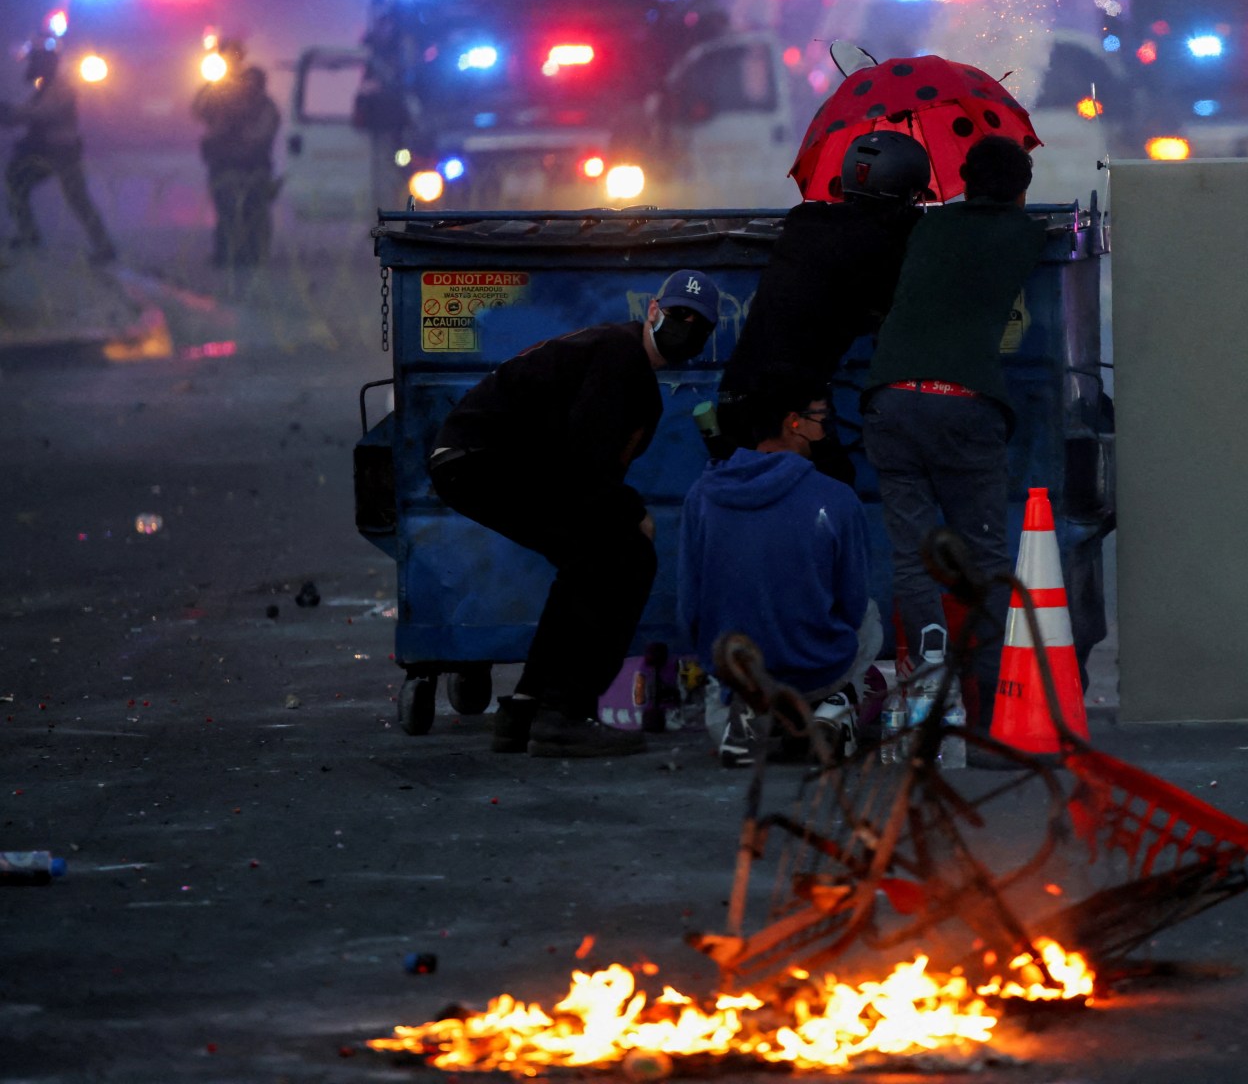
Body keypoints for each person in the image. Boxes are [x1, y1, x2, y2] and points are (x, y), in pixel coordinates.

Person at [428, 268, 720, 759]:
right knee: (625, 557)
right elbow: (586, 457)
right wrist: (633, 513)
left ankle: (527, 710)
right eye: (677, 315)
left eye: (698, 323)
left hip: (477, 459)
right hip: (487, 459)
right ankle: (564, 713)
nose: (685, 326)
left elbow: (583, 465)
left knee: (590, 559)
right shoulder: (620, 356)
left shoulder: (621, 360)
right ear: (652, 311)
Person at [862, 134, 1046, 710]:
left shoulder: (929, 227)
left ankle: (927, 694)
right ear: (1022, 191)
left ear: (963, 179)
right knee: (986, 558)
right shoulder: (1027, 234)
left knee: (914, 554)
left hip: (891, 398)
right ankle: (993, 705)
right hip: (965, 404)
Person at [679, 376, 879, 765]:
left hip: (738, 676)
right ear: (794, 422)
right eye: (820, 418)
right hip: (816, 670)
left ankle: (750, 715)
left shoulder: (702, 496)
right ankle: (832, 712)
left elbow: (689, 609)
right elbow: (852, 606)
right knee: (869, 615)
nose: (825, 428)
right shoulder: (837, 499)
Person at [715, 131, 930, 484]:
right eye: (915, 196)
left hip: (738, 392)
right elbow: (893, 307)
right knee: (834, 487)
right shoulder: (878, 247)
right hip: (784, 406)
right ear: (900, 194)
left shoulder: (805, 223)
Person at [3, 46, 115, 265]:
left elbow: (43, 113)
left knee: (77, 199)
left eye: (35, 62)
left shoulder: (60, 87)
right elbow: (30, 111)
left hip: (62, 152)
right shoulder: (46, 86)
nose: (31, 67)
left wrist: (12, 113)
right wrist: (10, 113)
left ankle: (104, 246)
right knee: (15, 183)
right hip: (48, 151)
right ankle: (29, 233)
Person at [194, 63, 280, 268]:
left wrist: (234, 133)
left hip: (253, 169)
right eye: (244, 83)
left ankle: (253, 256)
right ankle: (226, 255)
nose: (248, 88)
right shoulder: (227, 103)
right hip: (226, 168)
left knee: (254, 215)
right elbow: (199, 110)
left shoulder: (266, 108)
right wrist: (211, 85)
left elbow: (259, 137)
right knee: (227, 214)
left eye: (252, 84)